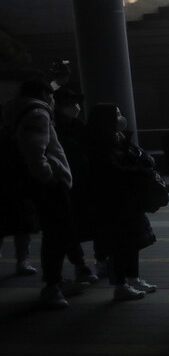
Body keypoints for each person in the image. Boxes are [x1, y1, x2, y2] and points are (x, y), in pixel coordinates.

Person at [2, 80, 76, 307]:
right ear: (44, 94)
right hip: (46, 184)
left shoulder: (12, 111)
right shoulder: (37, 113)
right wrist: (49, 177)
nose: (53, 100)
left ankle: (55, 282)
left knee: (52, 232)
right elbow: (35, 149)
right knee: (57, 234)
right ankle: (53, 286)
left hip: (22, 181)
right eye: (51, 95)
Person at [86, 104, 158, 301]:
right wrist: (139, 171)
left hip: (128, 199)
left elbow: (139, 155)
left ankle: (132, 279)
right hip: (114, 202)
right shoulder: (100, 143)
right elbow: (111, 171)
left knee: (132, 242)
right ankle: (121, 285)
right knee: (120, 245)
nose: (121, 117)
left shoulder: (119, 137)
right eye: (116, 114)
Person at [53, 87, 100, 284]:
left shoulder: (79, 125)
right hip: (63, 184)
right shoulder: (54, 128)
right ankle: (78, 265)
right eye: (69, 104)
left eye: (76, 103)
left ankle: (88, 264)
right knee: (66, 228)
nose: (75, 107)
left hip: (82, 183)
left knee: (78, 225)